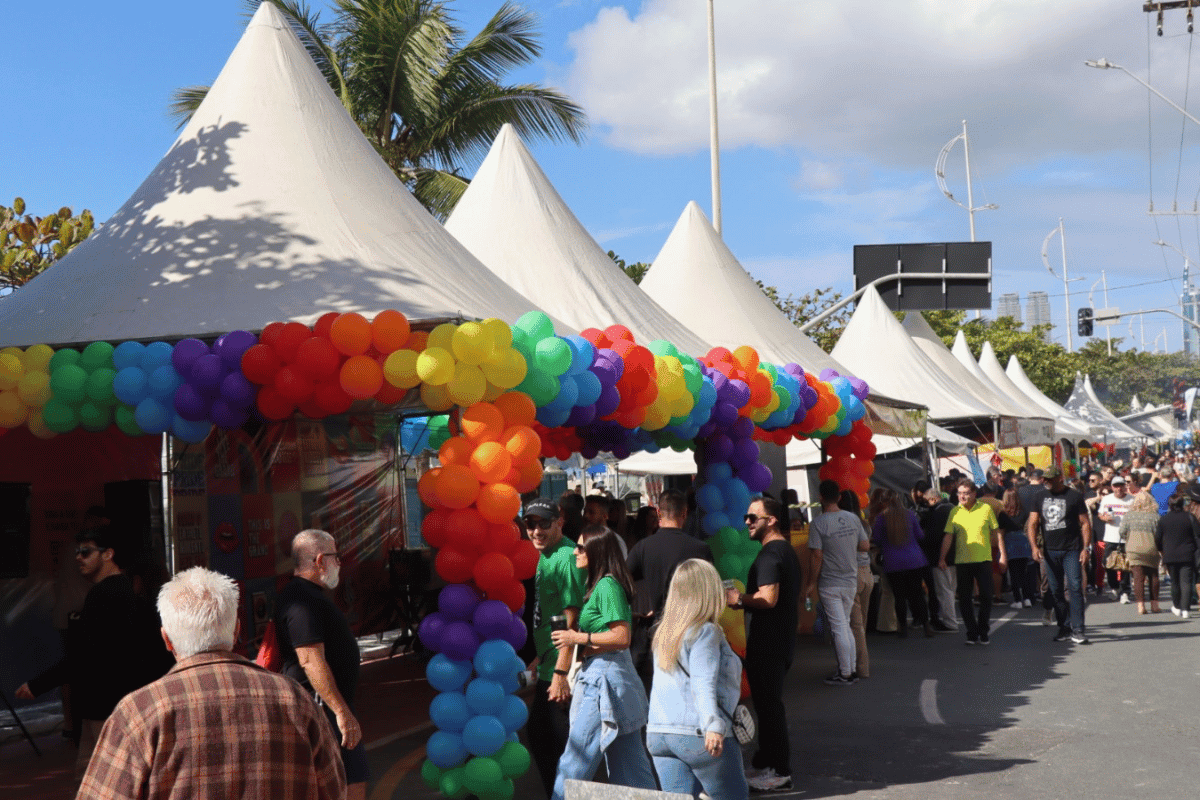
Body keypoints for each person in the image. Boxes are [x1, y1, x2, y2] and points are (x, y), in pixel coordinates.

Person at [76, 567, 346, 800]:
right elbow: (334, 791)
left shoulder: (140, 712)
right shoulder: (295, 699)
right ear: (237, 630)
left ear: (166, 639)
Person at [16, 524, 171, 777]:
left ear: (108, 554)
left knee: (101, 780)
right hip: (122, 705)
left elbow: (83, 654)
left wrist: (38, 684)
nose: (78, 557)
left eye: (86, 552)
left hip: (104, 708)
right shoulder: (129, 591)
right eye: (77, 551)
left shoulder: (104, 594)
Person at [549, 526, 656, 800]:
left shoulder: (607, 585)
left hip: (603, 680)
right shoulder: (601, 584)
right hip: (610, 678)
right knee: (631, 771)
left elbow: (622, 636)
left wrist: (576, 637)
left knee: (574, 763)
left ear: (598, 551)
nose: (575, 551)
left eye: (581, 547)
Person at [275, 530, 367, 800]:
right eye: (335, 556)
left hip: (326, 711)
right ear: (319, 560)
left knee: (352, 779)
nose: (338, 562)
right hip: (320, 712)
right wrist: (341, 712)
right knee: (348, 783)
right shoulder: (301, 599)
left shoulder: (309, 595)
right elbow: (309, 658)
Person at [647, 559, 748, 800]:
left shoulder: (664, 632)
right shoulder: (705, 631)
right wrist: (712, 725)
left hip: (659, 734)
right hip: (697, 733)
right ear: (708, 591)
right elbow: (703, 682)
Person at [730, 495, 802, 791]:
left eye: (752, 518)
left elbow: (768, 599)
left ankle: (780, 772)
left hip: (770, 643)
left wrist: (738, 600)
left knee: (770, 707)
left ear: (771, 521)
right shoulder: (782, 550)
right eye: (746, 517)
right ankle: (765, 762)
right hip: (777, 640)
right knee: (766, 704)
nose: (747, 522)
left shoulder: (772, 555)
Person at [523, 498, 586, 797]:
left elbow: (571, 622)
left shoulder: (565, 557)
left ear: (559, 521)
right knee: (544, 738)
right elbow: (551, 615)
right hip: (551, 662)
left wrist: (561, 672)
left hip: (564, 667)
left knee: (563, 747)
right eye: (530, 524)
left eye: (543, 523)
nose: (536, 531)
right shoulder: (547, 553)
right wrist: (540, 656)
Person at [626, 488, 712, 691]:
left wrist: (631, 611)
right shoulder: (700, 548)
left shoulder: (643, 547)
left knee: (662, 683)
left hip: (657, 624)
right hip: (693, 625)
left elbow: (621, 579)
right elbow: (710, 590)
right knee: (692, 683)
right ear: (685, 513)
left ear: (658, 512)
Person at [804, 482, 865, 686]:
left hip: (830, 582)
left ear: (820, 497)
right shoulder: (854, 518)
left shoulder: (818, 523)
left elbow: (816, 555)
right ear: (839, 497)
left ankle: (846, 673)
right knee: (845, 625)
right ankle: (851, 669)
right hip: (850, 579)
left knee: (839, 627)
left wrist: (811, 582)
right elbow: (864, 545)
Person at [1027, 467, 1092, 645]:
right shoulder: (1039, 496)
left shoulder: (1074, 496)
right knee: (1054, 590)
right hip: (1049, 551)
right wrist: (1034, 547)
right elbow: (1032, 523)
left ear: (1060, 478)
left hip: (1072, 549)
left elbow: (1085, 523)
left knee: (1075, 587)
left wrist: (1086, 548)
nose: (1046, 481)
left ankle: (1078, 630)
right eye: (1044, 479)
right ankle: (1064, 627)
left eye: (1049, 478)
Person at [942, 480, 1007, 645]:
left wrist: (1002, 556)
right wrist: (942, 557)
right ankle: (971, 632)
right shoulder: (954, 511)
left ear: (974, 494)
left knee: (986, 596)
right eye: (960, 493)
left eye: (966, 492)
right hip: (962, 561)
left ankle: (983, 630)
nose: (962, 496)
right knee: (964, 598)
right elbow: (948, 535)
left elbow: (997, 532)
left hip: (983, 559)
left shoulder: (985, 509)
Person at [870, 490, 933, 638]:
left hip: (893, 562)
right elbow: (920, 536)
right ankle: (926, 626)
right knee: (918, 595)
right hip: (914, 560)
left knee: (899, 597)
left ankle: (902, 628)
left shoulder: (881, 519)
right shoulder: (910, 515)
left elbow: (877, 539)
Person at [838, 490, 874, 678]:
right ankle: (857, 662)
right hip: (867, 574)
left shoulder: (841, 524)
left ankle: (859, 667)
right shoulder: (864, 524)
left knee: (854, 625)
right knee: (861, 624)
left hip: (851, 575)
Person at [1155, 492, 1200, 618]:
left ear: (1169, 504)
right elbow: (1197, 535)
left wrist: (1161, 550)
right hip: (1188, 553)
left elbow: (1158, 538)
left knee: (1175, 582)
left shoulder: (1164, 519)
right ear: (1182, 503)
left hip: (1170, 554)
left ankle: (1177, 606)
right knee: (1186, 582)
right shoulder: (1190, 517)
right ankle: (1185, 609)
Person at [919, 486, 958, 631]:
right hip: (955, 555)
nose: (925, 505)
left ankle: (950, 622)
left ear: (933, 499)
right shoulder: (952, 508)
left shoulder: (938, 513)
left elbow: (933, 538)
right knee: (951, 589)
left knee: (944, 591)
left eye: (926, 501)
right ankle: (951, 619)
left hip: (941, 556)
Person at [1119, 490, 1162, 614]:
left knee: (1138, 577)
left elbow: (1121, 532)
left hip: (1133, 549)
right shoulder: (1155, 516)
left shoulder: (1129, 515)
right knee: (1154, 576)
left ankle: (1140, 606)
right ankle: (1154, 605)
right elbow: (1159, 535)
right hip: (1151, 548)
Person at [1098, 476, 1133, 602]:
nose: (1119, 488)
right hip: (1111, 537)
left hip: (1127, 538)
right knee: (1108, 564)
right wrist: (1104, 518)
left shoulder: (1131, 500)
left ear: (1125, 486)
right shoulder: (1107, 499)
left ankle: (1125, 592)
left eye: (1121, 485)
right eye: (1116, 486)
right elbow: (1100, 514)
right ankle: (1114, 587)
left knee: (1126, 566)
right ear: (1112, 487)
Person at [1002, 489, 1037, 609]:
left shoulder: (1003, 514)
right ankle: (1027, 599)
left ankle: (1017, 600)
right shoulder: (1024, 512)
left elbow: (1001, 532)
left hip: (1010, 542)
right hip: (1023, 541)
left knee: (1013, 573)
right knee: (1024, 572)